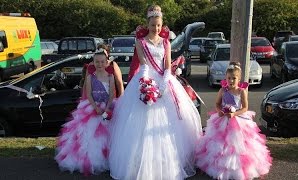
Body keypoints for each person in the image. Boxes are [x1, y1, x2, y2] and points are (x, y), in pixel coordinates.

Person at [109, 5, 202, 180]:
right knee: (140, 125)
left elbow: (167, 65)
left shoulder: (166, 42)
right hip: (146, 79)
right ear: (148, 24)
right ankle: (138, 164)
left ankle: (166, 162)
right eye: (153, 25)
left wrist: (166, 82)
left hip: (163, 80)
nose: (156, 28)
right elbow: (143, 64)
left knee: (170, 124)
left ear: (162, 25)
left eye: (159, 25)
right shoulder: (140, 41)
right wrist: (145, 83)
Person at [195, 62, 272, 180]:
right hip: (222, 119)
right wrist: (219, 110)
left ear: (239, 78)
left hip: (238, 119)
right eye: (229, 78)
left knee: (238, 143)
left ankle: (239, 168)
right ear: (226, 78)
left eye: (234, 78)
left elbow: (245, 108)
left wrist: (234, 113)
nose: (231, 81)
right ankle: (220, 167)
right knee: (220, 143)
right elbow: (217, 103)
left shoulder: (242, 91)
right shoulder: (223, 90)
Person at [55, 50, 115, 176]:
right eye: (97, 62)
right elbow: (88, 94)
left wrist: (108, 108)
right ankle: (91, 160)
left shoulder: (110, 77)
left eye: (102, 62)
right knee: (89, 134)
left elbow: (112, 95)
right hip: (92, 107)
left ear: (106, 62)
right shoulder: (90, 77)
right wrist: (95, 108)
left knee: (109, 135)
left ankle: (108, 159)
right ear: (93, 62)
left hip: (107, 106)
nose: (100, 64)